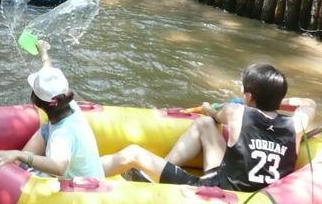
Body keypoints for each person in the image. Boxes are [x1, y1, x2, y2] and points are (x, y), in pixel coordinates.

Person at [101, 63, 317, 192]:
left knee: (133, 153)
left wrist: (207, 107)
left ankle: (75, 174)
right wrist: (272, 99)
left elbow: (214, 114)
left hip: (217, 192)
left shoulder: (237, 112)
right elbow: (309, 103)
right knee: (204, 125)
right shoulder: (296, 124)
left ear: (249, 97)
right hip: (257, 195)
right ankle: (158, 172)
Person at [0, 39, 104, 179]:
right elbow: (47, 68)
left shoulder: (61, 135)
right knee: (46, 130)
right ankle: (15, 164)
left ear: (37, 103)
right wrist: (43, 50)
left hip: (78, 188)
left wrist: (19, 154)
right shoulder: (67, 103)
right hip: (85, 170)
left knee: (30, 171)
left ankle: (15, 166)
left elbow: (59, 167)